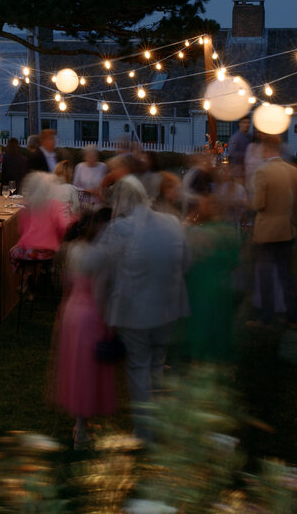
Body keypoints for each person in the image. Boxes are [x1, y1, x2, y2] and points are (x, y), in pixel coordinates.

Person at [98, 176, 188, 441]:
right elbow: (186, 262)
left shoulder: (119, 229)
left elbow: (105, 270)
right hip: (168, 307)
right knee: (157, 365)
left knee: (138, 368)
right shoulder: (172, 223)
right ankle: (157, 421)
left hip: (135, 313)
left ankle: (145, 432)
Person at [52, 210, 116, 450]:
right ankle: (82, 429)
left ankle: (80, 424)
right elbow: (100, 294)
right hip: (91, 316)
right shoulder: (101, 256)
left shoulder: (72, 250)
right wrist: (109, 323)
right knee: (88, 373)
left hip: (71, 312)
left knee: (76, 370)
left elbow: (65, 283)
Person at [249, 135, 297, 327]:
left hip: (267, 232)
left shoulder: (263, 171)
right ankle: (292, 316)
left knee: (265, 276)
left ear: (266, 149)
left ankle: (266, 317)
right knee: (286, 274)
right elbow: (296, 202)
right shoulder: (293, 171)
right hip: (287, 228)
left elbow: (258, 204)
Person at [183, 192, 240, 364]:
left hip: (201, 283)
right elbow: (235, 261)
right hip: (223, 283)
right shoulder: (230, 231)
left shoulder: (198, 233)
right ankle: (220, 355)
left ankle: (197, 356)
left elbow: (186, 258)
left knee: (200, 321)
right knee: (222, 321)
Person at [9, 172, 72, 294]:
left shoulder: (29, 204)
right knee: (37, 260)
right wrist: (58, 238)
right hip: (49, 252)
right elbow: (63, 225)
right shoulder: (56, 205)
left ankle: (25, 277)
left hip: (29, 251)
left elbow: (21, 228)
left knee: (13, 253)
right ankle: (32, 283)